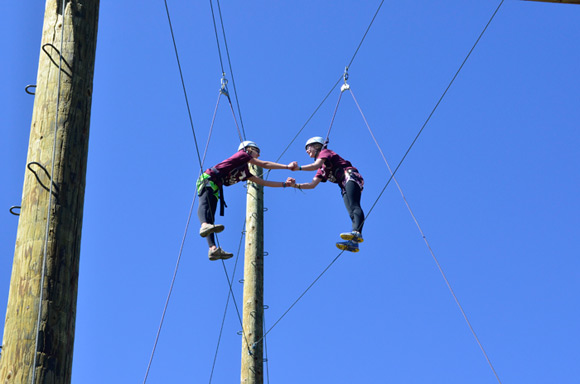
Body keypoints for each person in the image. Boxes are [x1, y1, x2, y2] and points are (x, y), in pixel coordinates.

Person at [197, 141, 297, 260]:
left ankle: (213, 249)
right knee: (205, 207)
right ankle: (204, 226)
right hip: (209, 179)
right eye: (257, 151)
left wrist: (284, 184)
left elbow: (263, 182)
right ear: (248, 149)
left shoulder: (245, 172)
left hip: (216, 185)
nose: (258, 155)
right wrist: (287, 166)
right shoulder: (242, 155)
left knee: (211, 218)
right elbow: (264, 164)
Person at [291, 136, 365, 252]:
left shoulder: (325, 152)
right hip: (343, 185)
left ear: (317, 146)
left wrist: (298, 168)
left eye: (308, 147)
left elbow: (313, 166)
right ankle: (354, 243)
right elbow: (312, 184)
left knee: (354, 206)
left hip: (350, 176)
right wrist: (295, 185)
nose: (307, 151)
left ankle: (357, 233)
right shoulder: (322, 168)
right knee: (351, 212)